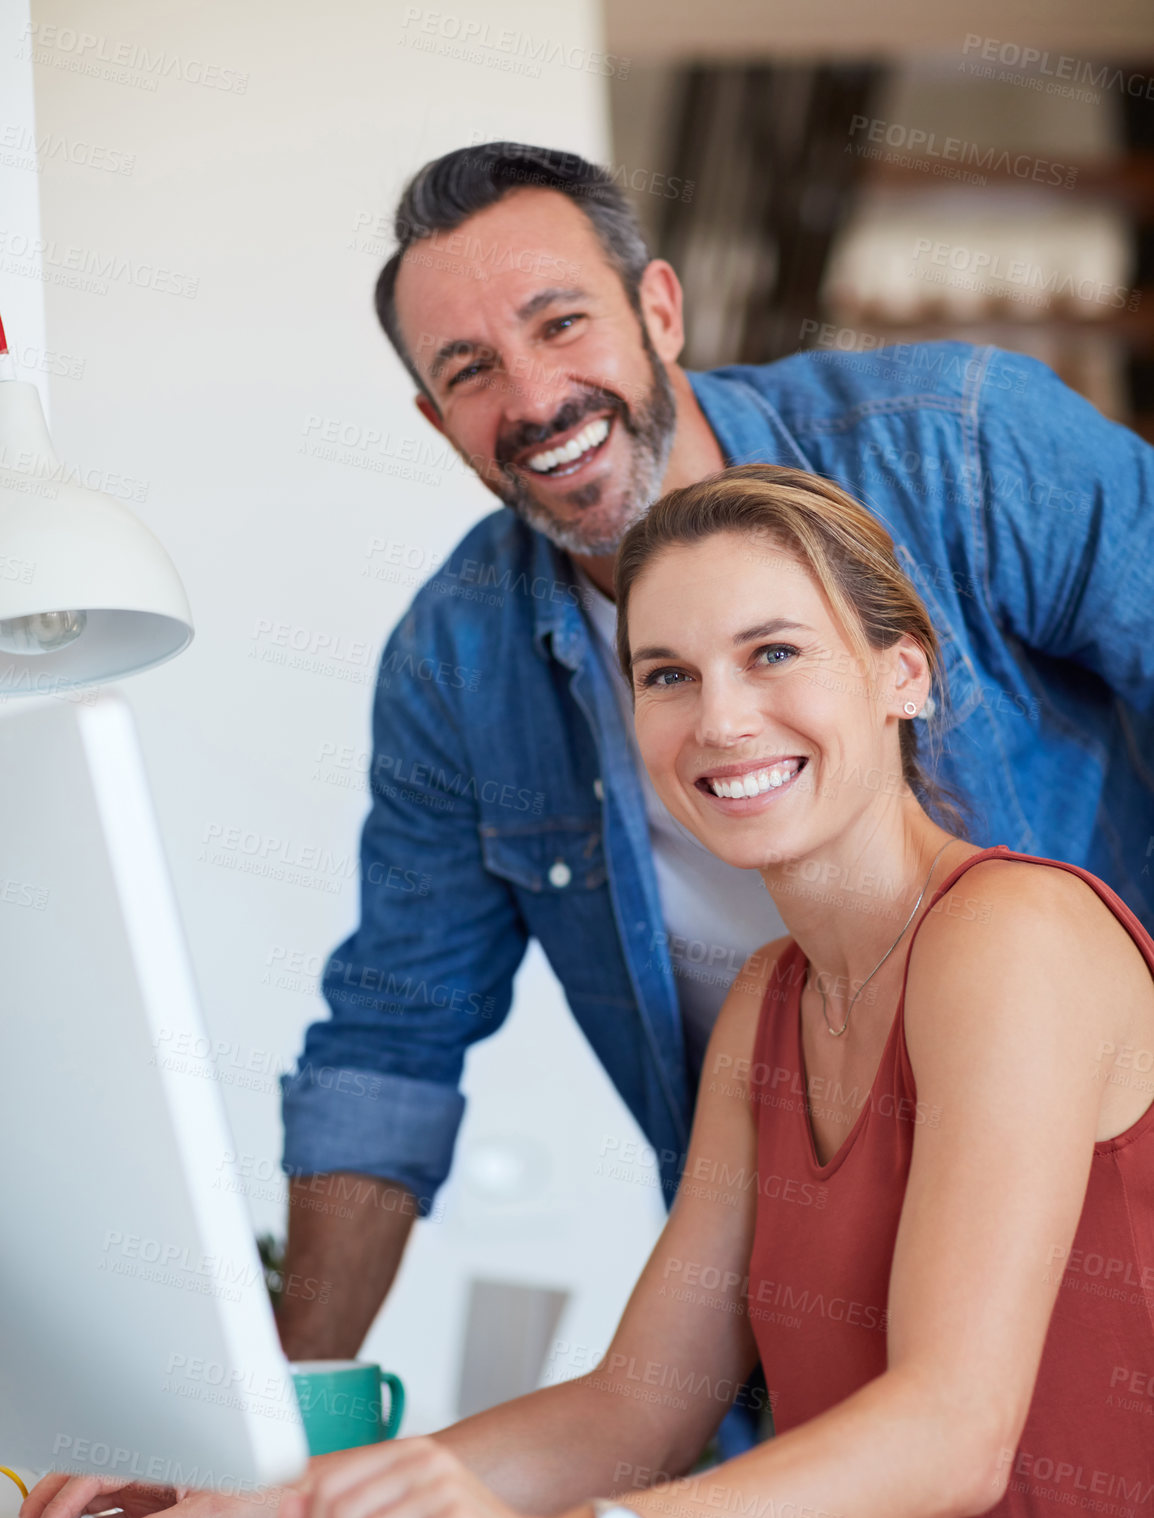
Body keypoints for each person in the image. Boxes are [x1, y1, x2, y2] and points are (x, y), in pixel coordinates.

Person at [19, 467, 1154, 1518]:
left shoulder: (1013, 937)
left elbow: (951, 1430)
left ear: (905, 673)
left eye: (771, 652)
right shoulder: (767, 1004)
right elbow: (636, 1406)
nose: (720, 718)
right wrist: (291, 1495)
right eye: (666, 674)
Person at [273, 141, 1154, 1373]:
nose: (532, 400)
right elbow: (387, 1044)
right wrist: (283, 1433)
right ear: (435, 420)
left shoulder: (960, 443)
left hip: (1108, 1260)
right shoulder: (458, 662)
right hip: (784, 1315)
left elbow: (942, 1439)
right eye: (470, 371)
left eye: (560, 322)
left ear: (659, 309)